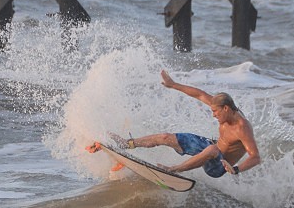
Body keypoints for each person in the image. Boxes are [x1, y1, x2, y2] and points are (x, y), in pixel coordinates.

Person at [106, 70, 261, 178]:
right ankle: (127, 144)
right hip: (210, 149)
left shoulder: (242, 127)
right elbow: (200, 94)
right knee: (166, 137)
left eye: (216, 112)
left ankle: (174, 170)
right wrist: (173, 85)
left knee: (212, 149)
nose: (213, 115)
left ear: (226, 108)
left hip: (219, 166)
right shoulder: (224, 109)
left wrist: (235, 170)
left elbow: (255, 157)